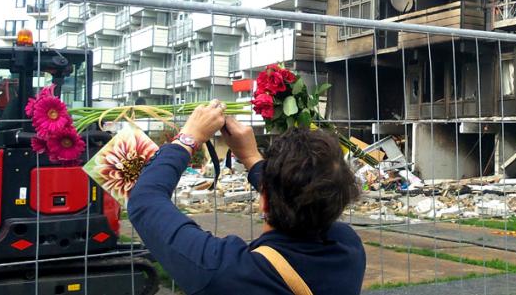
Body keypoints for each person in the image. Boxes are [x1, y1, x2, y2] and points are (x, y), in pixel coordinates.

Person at [128, 99, 366, 295]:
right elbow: (303, 191)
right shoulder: (349, 249)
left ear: (264, 200)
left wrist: (188, 139)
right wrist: (251, 156)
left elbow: (144, 201)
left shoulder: (227, 274)